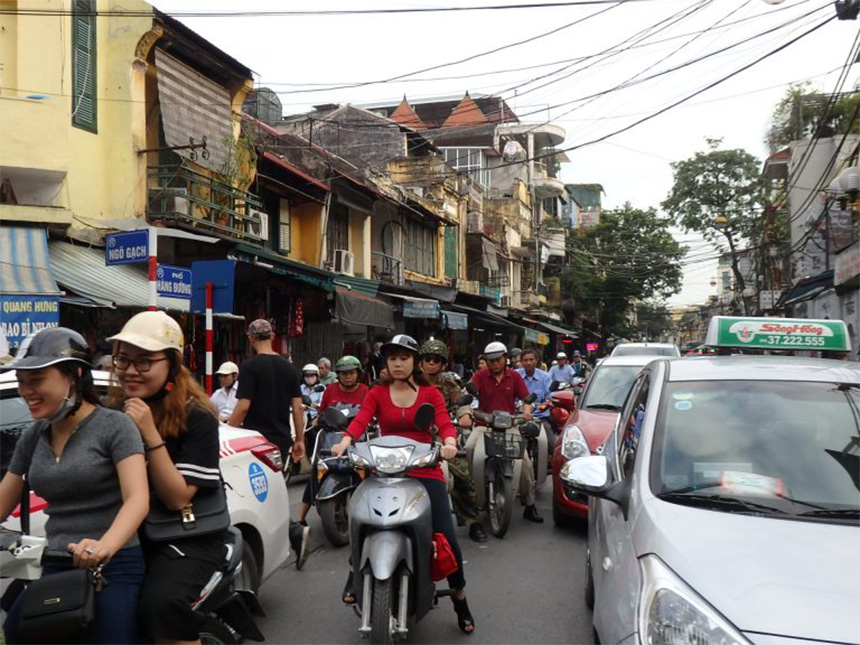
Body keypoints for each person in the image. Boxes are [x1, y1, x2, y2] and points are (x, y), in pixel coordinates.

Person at [0, 328, 149, 645]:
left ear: (75, 375)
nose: (26, 391)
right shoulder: (33, 436)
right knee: (15, 631)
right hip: (55, 565)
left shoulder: (115, 426)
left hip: (114, 566)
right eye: (22, 381)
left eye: (36, 380)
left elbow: (137, 499)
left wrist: (104, 546)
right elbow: (2, 502)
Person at [331, 335, 475, 634]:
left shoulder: (430, 393)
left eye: (404, 358)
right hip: (384, 470)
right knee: (362, 518)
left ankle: (459, 597)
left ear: (414, 362)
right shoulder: (377, 392)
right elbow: (361, 421)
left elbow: (443, 423)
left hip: (424, 470)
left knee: (447, 537)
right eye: (392, 358)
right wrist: (345, 441)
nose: (397, 363)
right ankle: (354, 571)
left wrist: (449, 442)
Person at [106, 311, 231, 645]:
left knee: (160, 606)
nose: (131, 371)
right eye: (123, 359)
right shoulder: (113, 410)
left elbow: (178, 497)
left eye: (144, 361)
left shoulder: (198, 415)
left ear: (172, 364)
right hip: (131, 531)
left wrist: (149, 432)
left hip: (187, 535)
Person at [228, 319, 310, 569]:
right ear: (273, 336)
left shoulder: (250, 367)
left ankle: (290, 533)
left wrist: (227, 430)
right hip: (280, 441)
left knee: (257, 495)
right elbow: (298, 407)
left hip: (255, 442)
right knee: (268, 493)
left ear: (251, 338)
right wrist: (299, 440)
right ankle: (292, 532)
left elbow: (243, 406)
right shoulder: (288, 367)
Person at [461, 341, 543, 523]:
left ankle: (530, 505)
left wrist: (527, 411)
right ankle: (473, 492)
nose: (495, 363)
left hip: (509, 426)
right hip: (484, 425)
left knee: (525, 463)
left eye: (498, 359)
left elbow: (526, 398)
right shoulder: (480, 376)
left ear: (505, 359)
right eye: (491, 361)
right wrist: (466, 413)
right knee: (469, 448)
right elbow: (466, 395)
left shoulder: (514, 376)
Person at [420, 339, 487, 543]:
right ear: (420, 361)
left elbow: (460, 403)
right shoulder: (409, 382)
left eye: (436, 360)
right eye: (428, 359)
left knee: (463, 475)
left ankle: (472, 521)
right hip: (411, 437)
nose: (432, 363)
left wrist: (465, 413)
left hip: (441, 437)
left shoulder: (449, 384)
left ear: (443, 364)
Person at [296, 356, 368, 526]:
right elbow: (323, 412)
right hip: (332, 438)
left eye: (351, 373)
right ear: (339, 375)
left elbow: (370, 413)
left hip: (358, 438)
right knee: (316, 471)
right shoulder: (330, 390)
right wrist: (317, 421)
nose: (348, 376)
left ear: (358, 374)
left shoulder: (365, 390)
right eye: (344, 373)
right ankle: (300, 518)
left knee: (372, 472)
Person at [517, 348, 555, 451]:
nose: (529, 363)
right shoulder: (516, 376)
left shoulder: (545, 377)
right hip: (518, 417)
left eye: (531, 359)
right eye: (525, 360)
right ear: (521, 362)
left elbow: (550, 397)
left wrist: (545, 404)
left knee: (552, 445)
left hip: (540, 417)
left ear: (536, 360)